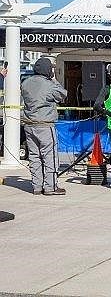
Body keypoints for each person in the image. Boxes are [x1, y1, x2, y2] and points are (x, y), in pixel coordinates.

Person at [21, 57, 67, 195]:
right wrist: (53, 78)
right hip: (45, 125)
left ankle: (37, 186)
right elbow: (62, 95)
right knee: (50, 155)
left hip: (29, 124)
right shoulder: (49, 84)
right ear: (48, 70)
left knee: (34, 156)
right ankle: (50, 187)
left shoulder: (25, 83)